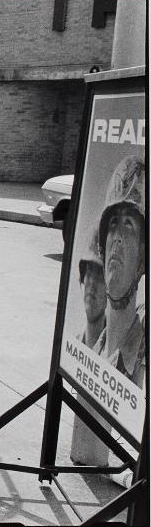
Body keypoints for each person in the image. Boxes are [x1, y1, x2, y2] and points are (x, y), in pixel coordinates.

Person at [92, 155, 145, 387]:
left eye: (129, 225)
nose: (118, 239)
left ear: (143, 258)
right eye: (113, 223)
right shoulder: (93, 351)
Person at [70, 227, 109, 466]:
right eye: (89, 274)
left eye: (100, 276)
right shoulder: (75, 341)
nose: (92, 286)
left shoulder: (114, 353)